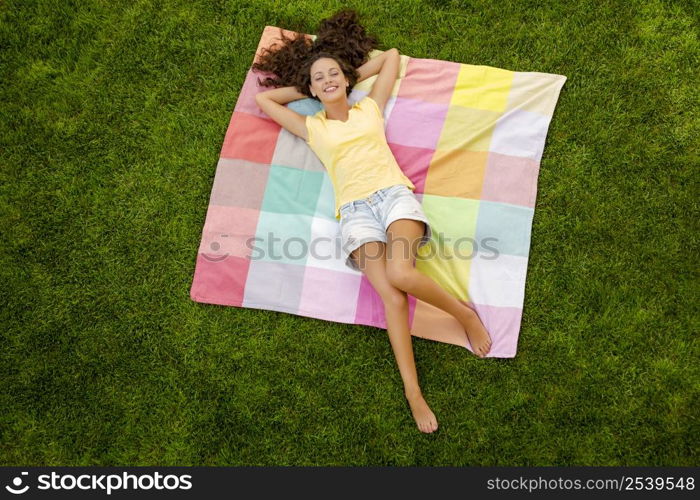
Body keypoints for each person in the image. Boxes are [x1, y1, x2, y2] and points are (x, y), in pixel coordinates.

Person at [252, 9, 491, 434]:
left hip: (393, 198)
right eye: (318, 80)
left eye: (333, 76)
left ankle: (464, 314)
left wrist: (344, 74)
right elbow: (264, 100)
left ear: (347, 79)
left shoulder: (370, 110)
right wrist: (312, 82)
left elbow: (392, 56)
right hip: (356, 213)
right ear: (309, 89)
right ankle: (413, 392)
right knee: (392, 298)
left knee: (401, 272)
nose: (327, 81)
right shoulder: (312, 128)